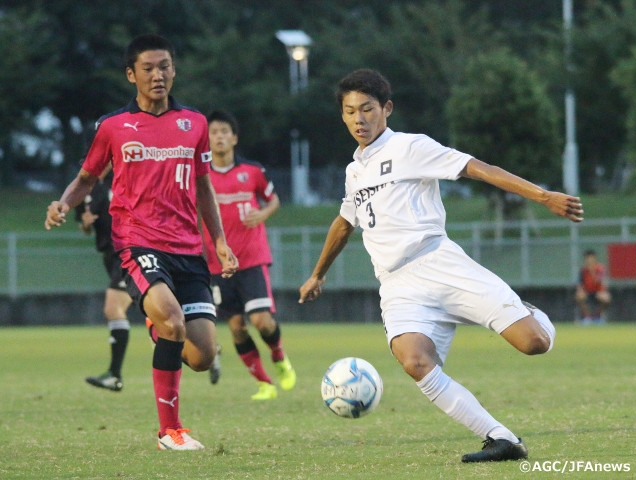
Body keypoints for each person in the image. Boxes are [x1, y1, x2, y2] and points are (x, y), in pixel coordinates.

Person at [298, 69, 584, 463]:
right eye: (350, 112)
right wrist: (318, 273)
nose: (359, 119)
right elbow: (344, 223)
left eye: (367, 109)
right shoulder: (354, 171)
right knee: (414, 360)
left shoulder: (411, 147)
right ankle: (501, 439)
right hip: (398, 285)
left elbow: (479, 168)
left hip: (439, 262)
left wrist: (543, 195)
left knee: (535, 344)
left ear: (387, 109)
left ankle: (527, 312)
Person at [45, 34, 238, 451]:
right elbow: (87, 178)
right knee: (172, 320)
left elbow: (204, 186)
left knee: (202, 356)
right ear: (131, 74)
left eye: (165, 66)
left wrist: (219, 241)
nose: (158, 75)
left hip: (189, 249)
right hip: (137, 242)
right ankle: (170, 431)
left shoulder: (195, 123)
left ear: (174, 70)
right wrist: (62, 204)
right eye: (148, 68)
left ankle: (155, 324)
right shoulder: (113, 126)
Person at [203, 110, 296, 400]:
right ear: (206, 140)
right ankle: (264, 384)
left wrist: (263, 213)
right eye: (213, 132)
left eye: (223, 131)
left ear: (234, 138)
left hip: (252, 258)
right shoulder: (200, 177)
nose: (218, 136)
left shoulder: (252, 171)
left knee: (261, 321)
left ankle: (279, 357)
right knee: (236, 327)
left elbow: (274, 199)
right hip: (216, 264)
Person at [76, 164, 132, 392]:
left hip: (129, 250)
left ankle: (115, 374)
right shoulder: (83, 186)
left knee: (113, 307)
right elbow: (84, 226)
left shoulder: (124, 174)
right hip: (109, 255)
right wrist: (86, 225)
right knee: (156, 310)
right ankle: (196, 345)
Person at [575, 249, 611, 324]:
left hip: (598, 291)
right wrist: (580, 291)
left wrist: (593, 272)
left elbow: (600, 282)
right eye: (587, 259)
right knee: (579, 296)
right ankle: (587, 317)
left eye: (591, 258)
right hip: (587, 292)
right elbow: (580, 284)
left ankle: (597, 316)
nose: (589, 261)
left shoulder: (600, 269)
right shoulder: (583, 271)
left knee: (606, 298)